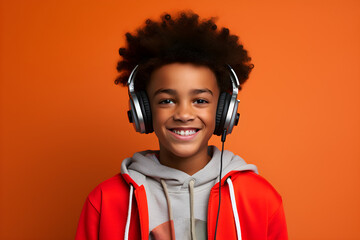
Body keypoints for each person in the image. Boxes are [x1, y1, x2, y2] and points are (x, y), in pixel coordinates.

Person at [75, 11, 288, 240]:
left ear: (223, 110)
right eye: (166, 101)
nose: (184, 114)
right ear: (143, 111)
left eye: (200, 101)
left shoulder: (260, 199)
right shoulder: (105, 200)